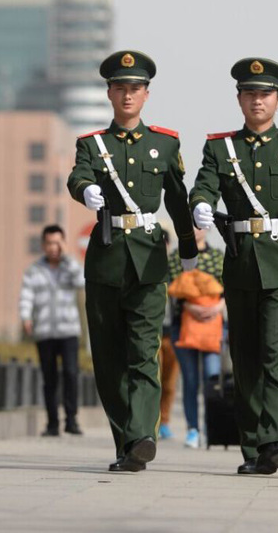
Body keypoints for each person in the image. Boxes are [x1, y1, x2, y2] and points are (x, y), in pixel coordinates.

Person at [190, 57, 278, 475]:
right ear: (239, 98)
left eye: (265, 94)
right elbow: (205, 182)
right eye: (250, 93)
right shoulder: (220, 148)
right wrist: (200, 202)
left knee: (275, 353)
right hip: (240, 263)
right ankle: (252, 447)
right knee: (246, 358)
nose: (257, 100)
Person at [67, 50, 198, 472]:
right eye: (120, 88)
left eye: (135, 88)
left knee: (144, 351)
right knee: (107, 357)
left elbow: (178, 200)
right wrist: (85, 189)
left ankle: (142, 434)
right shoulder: (92, 144)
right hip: (106, 259)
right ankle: (127, 441)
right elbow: (77, 175)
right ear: (109, 93)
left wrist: (191, 253)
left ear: (146, 94)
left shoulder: (165, 143)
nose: (127, 95)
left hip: (148, 260)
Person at [19, 224, 85, 437]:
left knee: (71, 374)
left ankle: (71, 420)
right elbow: (26, 295)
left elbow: (81, 281)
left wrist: (68, 257)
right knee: (49, 378)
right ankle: (52, 423)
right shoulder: (34, 270)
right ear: (43, 245)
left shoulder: (70, 266)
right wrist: (26, 316)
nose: (53, 247)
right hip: (45, 331)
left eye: (57, 243)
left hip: (68, 331)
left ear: (63, 243)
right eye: (49, 243)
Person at [169, 226, 225, 448]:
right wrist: (191, 307)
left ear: (208, 227)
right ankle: (193, 429)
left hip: (214, 325)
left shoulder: (218, 256)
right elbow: (172, 287)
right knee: (190, 380)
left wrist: (218, 306)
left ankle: (212, 427)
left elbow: (227, 288)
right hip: (183, 326)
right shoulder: (176, 257)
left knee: (211, 379)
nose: (194, 229)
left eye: (198, 224)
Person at [158, 228, 180, 441]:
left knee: (170, 383)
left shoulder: (175, 268)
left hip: (173, 332)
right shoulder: (147, 267)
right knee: (153, 378)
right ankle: (152, 420)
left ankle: (164, 421)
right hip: (153, 332)